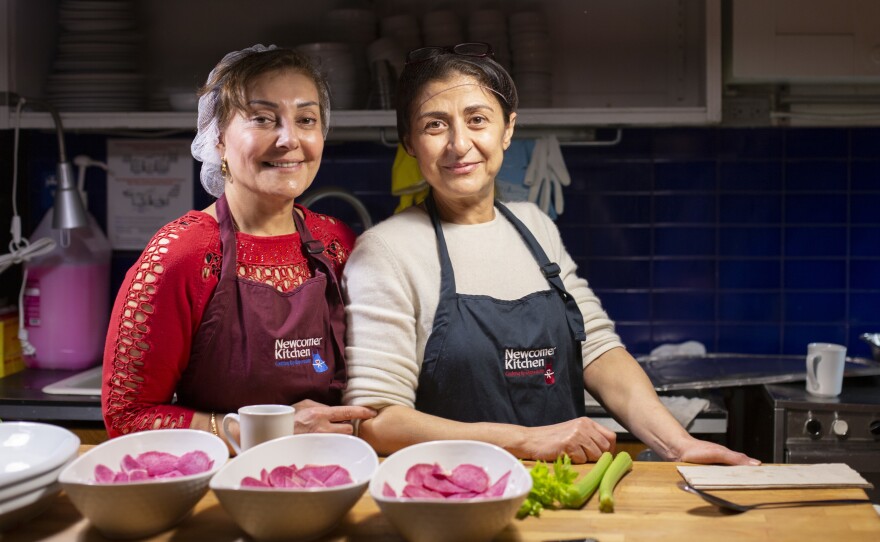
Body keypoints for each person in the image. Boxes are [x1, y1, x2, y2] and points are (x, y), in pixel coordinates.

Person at [342, 42, 758, 465]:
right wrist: (525, 441)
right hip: (452, 499)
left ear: (507, 129)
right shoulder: (387, 249)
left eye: (477, 120)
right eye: (435, 125)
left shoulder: (534, 226)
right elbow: (376, 421)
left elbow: (596, 349)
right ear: (410, 142)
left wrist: (679, 444)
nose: (459, 143)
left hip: (564, 497)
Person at [102, 45, 375, 444]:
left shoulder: (338, 243)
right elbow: (126, 416)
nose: (289, 139)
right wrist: (265, 431)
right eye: (263, 118)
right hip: (226, 491)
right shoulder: (180, 255)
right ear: (217, 140)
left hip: (333, 478)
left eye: (306, 119)